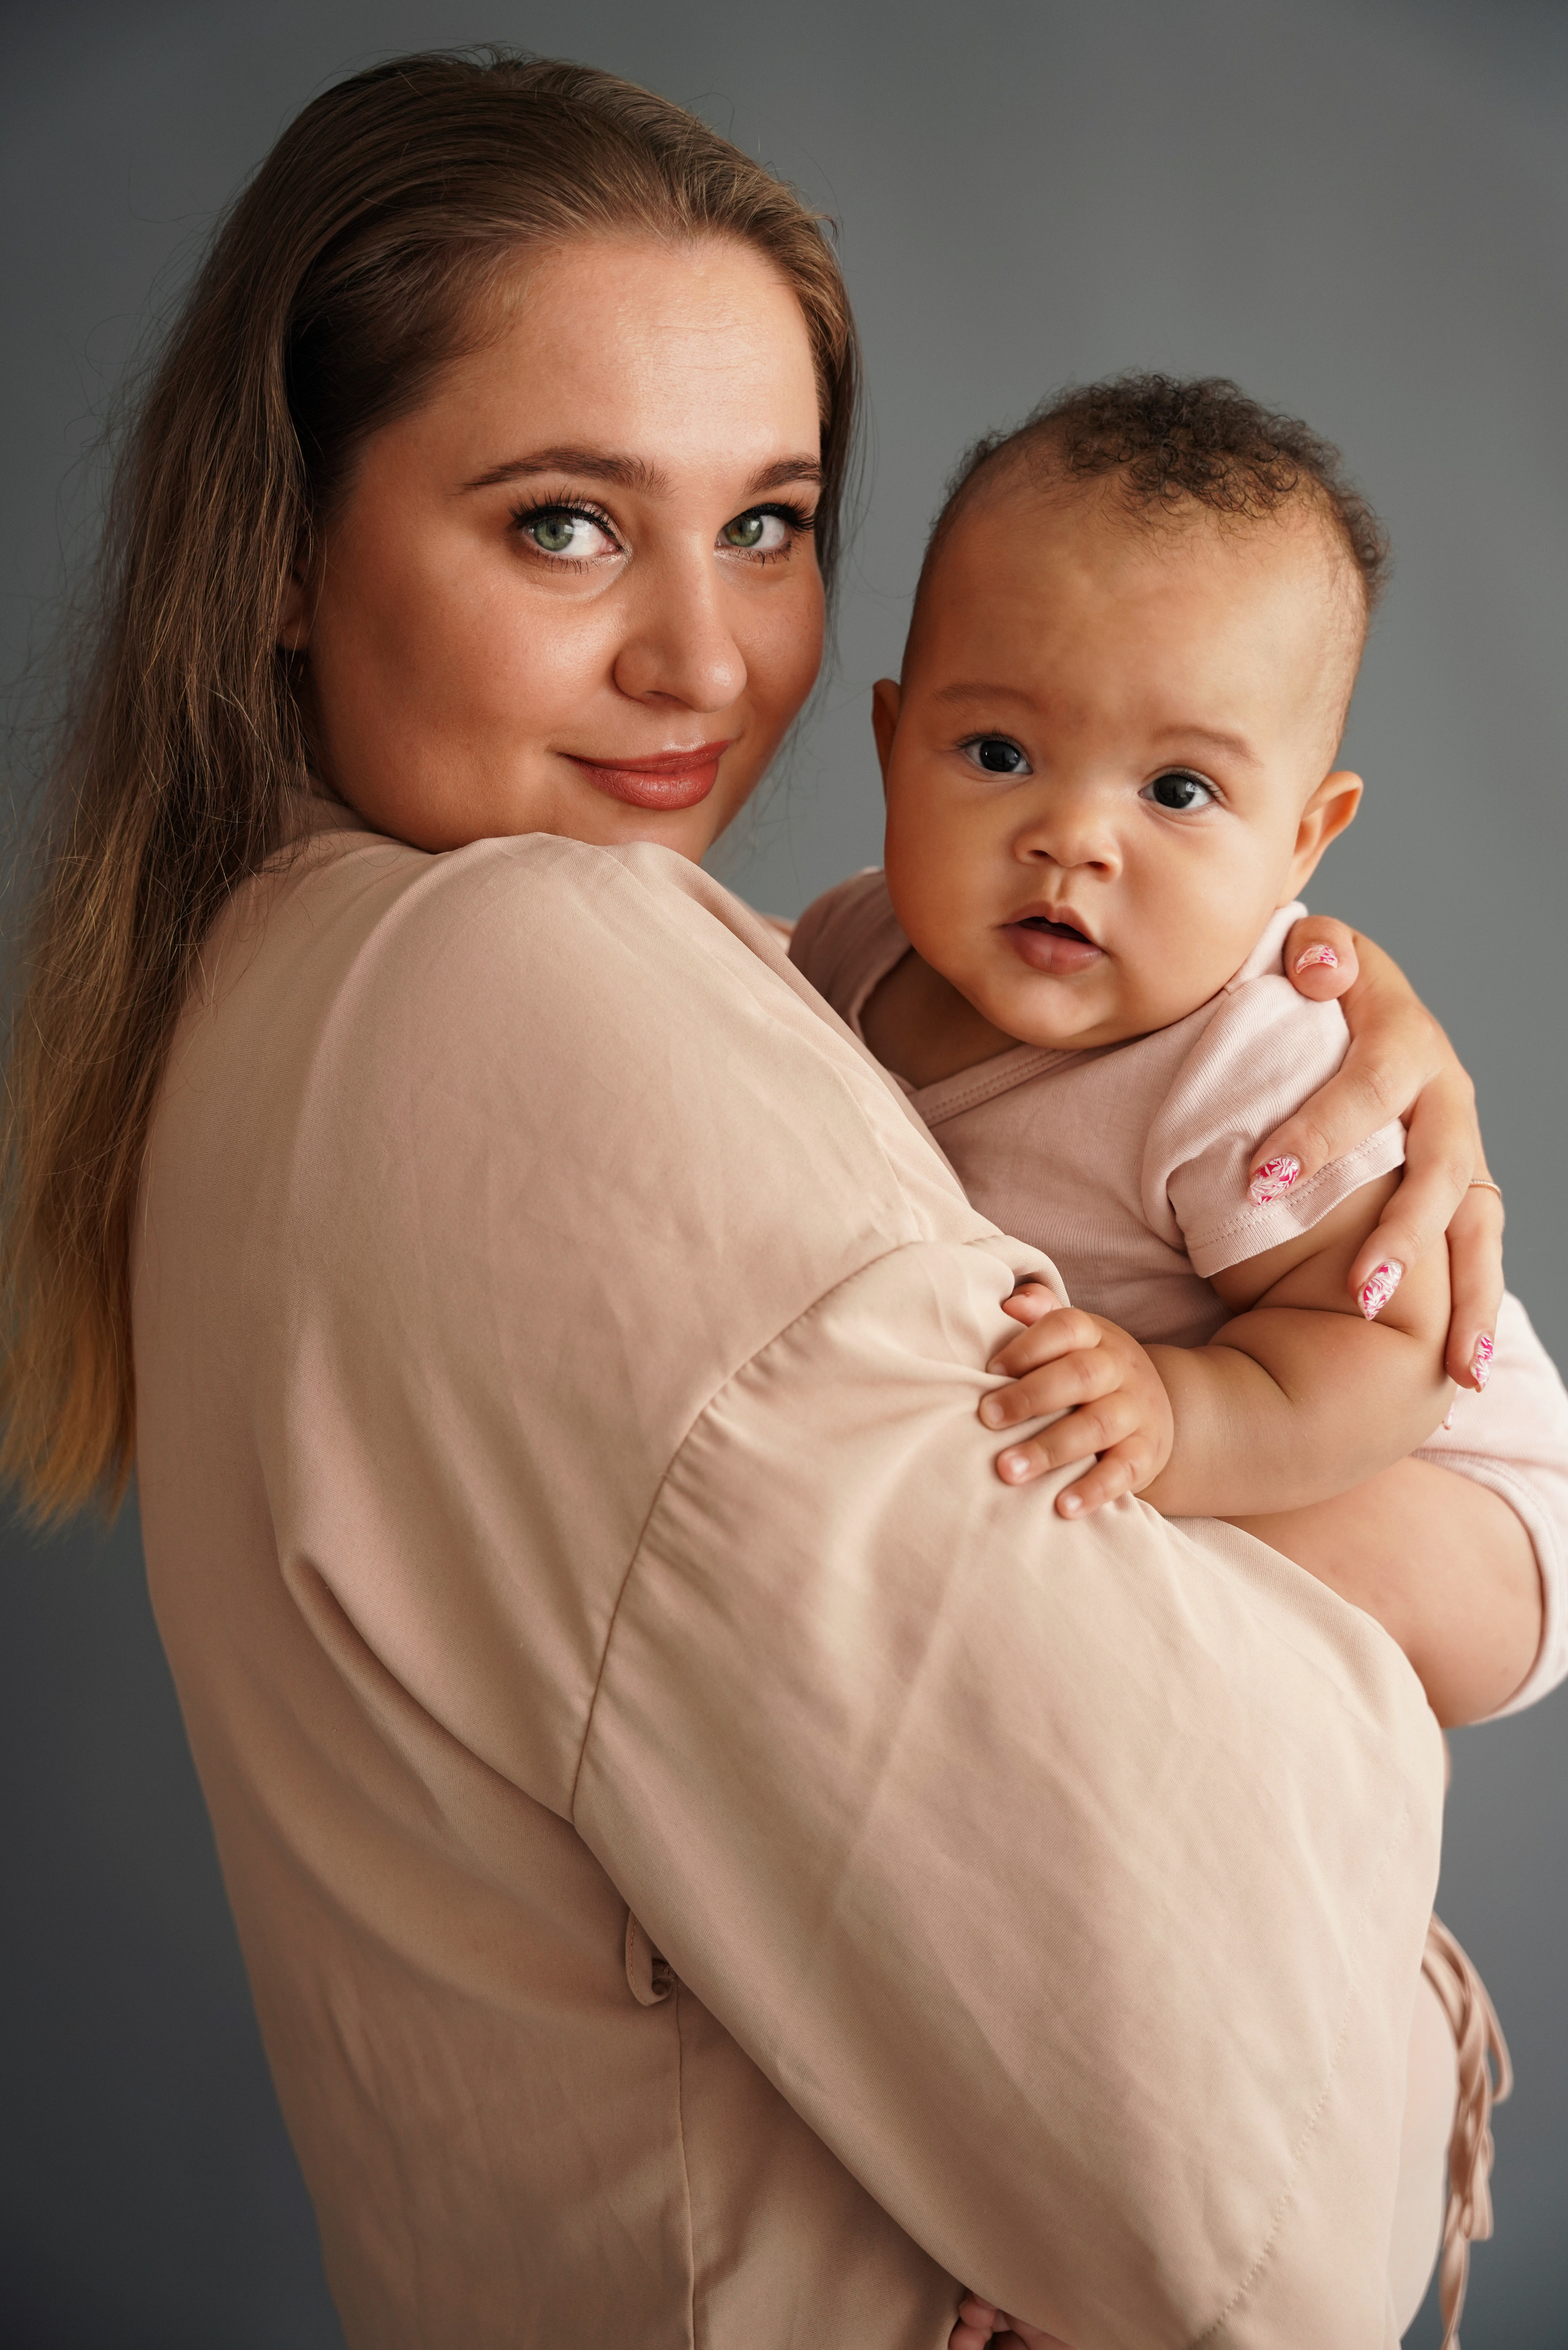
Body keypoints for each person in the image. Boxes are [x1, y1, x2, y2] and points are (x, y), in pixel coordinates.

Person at [0, 50, 1529, 2350]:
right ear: (286, 556)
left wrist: (1267, 1030)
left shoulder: (358, 994)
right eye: (563, 524)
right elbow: (1258, 2227)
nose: (706, 665)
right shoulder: (524, 977)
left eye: (770, 523)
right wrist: (1408, 2021)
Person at [791, 372, 1566, 2344]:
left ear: (1308, 838)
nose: (1072, 843)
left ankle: (1236, 2101)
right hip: (1238, 1442)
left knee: (1143, 1732)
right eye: (993, 750)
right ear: (890, 742)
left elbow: (1370, 1357)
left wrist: (1183, 1412)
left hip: (1446, 1494)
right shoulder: (855, 960)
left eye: (1182, 794)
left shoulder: (1246, 1070)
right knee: (1053, 1707)